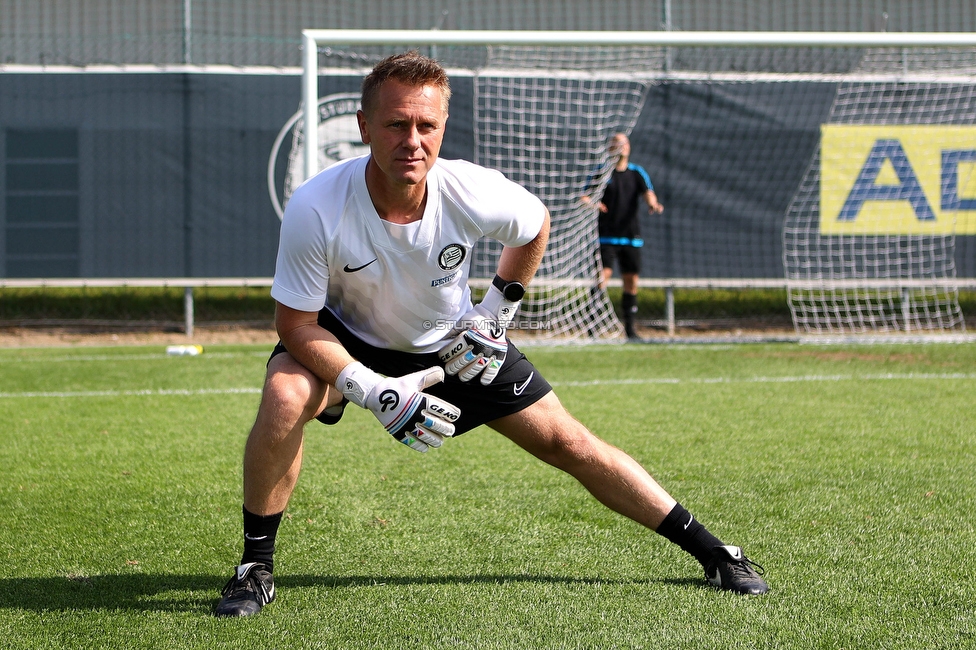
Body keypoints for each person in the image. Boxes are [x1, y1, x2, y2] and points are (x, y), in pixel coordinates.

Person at [214, 51, 767, 617]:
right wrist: (370, 389)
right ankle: (254, 566)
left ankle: (714, 552)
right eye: (396, 123)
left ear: (443, 127)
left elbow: (535, 225)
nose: (412, 140)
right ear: (363, 127)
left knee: (569, 442)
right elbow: (296, 325)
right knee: (286, 395)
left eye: (426, 125)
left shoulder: (469, 190)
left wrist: (495, 313)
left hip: (451, 345)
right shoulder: (316, 205)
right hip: (344, 338)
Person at [582, 133, 664, 340]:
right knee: (602, 277)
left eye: (624, 143)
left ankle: (630, 329)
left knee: (631, 280)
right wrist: (594, 204)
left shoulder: (636, 173)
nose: (621, 147)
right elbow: (584, 196)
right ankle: (592, 326)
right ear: (610, 148)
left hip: (630, 237)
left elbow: (648, 193)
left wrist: (653, 204)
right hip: (607, 236)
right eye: (617, 143)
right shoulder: (602, 172)